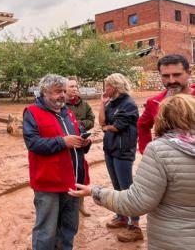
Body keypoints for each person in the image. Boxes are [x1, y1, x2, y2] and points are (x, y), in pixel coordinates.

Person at [69, 94, 195, 250]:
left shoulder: (160, 150)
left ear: (163, 118)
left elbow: (137, 202)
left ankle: (133, 226)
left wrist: (95, 191)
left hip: (173, 240)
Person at [23, 74, 90, 250]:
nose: (62, 95)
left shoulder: (67, 112)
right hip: (49, 183)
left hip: (73, 181)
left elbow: (76, 135)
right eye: (57, 91)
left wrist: (84, 142)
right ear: (44, 92)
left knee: (69, 227)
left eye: (63, 91)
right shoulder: (32, 112)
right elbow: (33, 143)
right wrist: (63, 142)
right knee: (46, 231)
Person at [98, 73, 142, 242]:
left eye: (107, 86)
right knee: (117, 186)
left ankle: (135, 224)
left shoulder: (128, 103)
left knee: (127, 188)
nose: (105, 89)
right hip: (110, 149)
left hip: (123, 151)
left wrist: (106, 127)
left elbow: (117, 127)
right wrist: (102, 105)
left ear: (115, 86)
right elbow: (101, 122)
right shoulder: (111, 103)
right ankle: (121, 217)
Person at [138, 54, 195, 154]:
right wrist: (146, 151)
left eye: (177, 75)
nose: (171, 80)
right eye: (165, 76)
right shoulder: (154, 102)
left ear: (188, 73)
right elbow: (142, 125)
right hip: (168, 161)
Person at [65, 76, 95, 217]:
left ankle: (80, 205)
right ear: (64, 88)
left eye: (76, 86)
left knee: (82, 176)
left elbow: (92, 120)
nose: (75, 89)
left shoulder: (84, 105)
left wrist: (78, 124)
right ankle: (67, 206)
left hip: (81, 145)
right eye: (71, 86)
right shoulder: (61, 105)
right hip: (66, 147)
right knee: (67, 174)